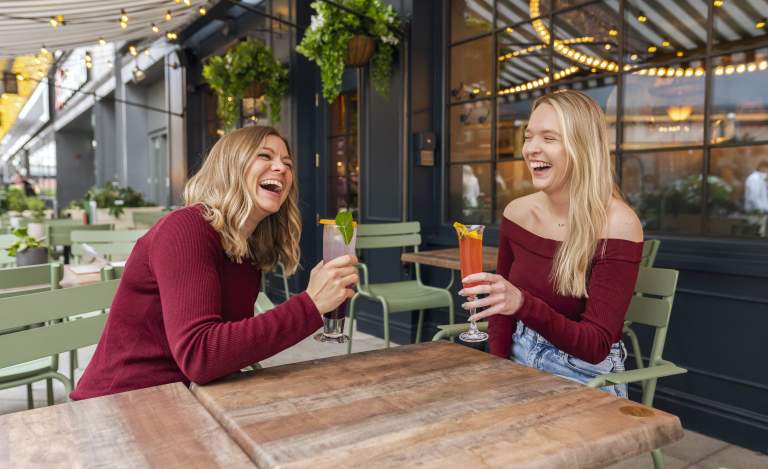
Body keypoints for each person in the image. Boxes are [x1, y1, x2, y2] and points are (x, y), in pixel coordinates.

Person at [72, 126, 358, 400]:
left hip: (191, 398)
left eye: (287, 162)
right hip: (123, 401)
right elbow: (200, 356)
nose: (282, 168)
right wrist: (309, 305)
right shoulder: (186, 228)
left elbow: (226, 351)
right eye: (265, 156)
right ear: (230, 166)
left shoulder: (247, 248)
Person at [460, 90, 643, 398]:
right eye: (528, 136)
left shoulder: (618, 224)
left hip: (584, 373)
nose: (531, 149)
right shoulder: (517, 213)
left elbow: (596, 345)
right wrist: (495, 371)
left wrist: (522, 303)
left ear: (582, 147)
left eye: (548, 138)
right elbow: (501, 314)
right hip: (518, 358)